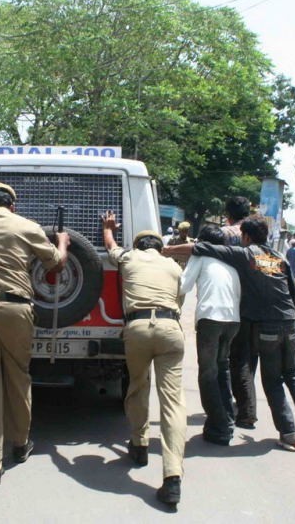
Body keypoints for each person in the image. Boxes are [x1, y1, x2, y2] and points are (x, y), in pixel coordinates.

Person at [163, 215, 295, 451]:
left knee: (271, 380)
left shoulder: (246, 254)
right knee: (291, 372)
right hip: (289, 322)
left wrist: (166, 249)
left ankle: (289, 433)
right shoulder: (280, 258)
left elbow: (198, 248)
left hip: (264, 325)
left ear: (246, 237)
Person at [0, 182, 69, 486]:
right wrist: (62, 243)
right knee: (18, 376)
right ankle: (20, 445)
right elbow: (56, 265)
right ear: (13, 205)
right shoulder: (27, 226)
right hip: (14, 307)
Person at [101, 211, 186, 507]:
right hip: (170, 328)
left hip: (137, 328)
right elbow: (179, 301)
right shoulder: (173, 266)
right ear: (160, 248)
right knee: (172, 403)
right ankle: (172, 477)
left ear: (138, 246)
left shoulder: (130, 258)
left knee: (138, 386)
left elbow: (111, 248)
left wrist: (108, 228)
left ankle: (138, 444)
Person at [180, 225, 240, 445]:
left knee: (207, 374)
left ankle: (220, 426)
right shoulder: (230, 261)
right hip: (233, 320)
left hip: (210, 319)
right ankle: (227, 419)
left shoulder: (201, 256)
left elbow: (183, 285)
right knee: (222, 369)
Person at [220, 196, 259, 429]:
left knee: (230, 357)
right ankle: (245, 400)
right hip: (253, 299)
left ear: (227, 213)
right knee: (248, 355)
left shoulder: (225, 233)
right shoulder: (256, 233)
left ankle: (236, 405)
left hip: (229, 300)